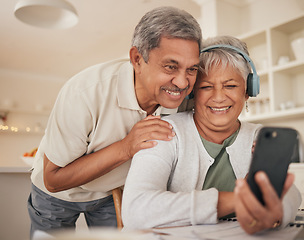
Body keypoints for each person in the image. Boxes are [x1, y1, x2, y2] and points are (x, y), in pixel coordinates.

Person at [27, 6, 202, 237]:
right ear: (137, 59)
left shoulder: (182, 98)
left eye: (191, 69)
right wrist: (126, 147)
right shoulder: (85, 92)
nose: (182, 83)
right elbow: (53, 179)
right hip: (56, 196)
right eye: (170, 66)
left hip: (111, 194)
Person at [121, 35, 301, 233]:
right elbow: (135, 209)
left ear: (248, 90)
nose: (218, 98)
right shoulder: (164, 131)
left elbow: (290, 193)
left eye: (230, 85)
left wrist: (274, 213)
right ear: (192, 93)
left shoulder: (259, 136)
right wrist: (237, 200)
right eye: (206, 87)